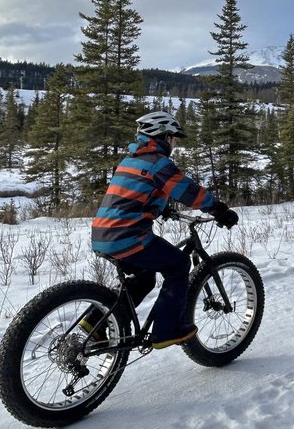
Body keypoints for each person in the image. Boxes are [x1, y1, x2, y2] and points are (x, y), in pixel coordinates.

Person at [84, 111, 239, 350]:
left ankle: (94, 321)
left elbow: (137, 191)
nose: (174, 143)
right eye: (173, 138)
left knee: (144, 278)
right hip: (128, 236)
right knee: (178, 265)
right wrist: (218, 209)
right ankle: (167, 331)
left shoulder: (130, 160)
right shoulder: (159, 163)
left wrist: (162, 206)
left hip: (103, 234)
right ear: (163, 136)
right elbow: (188, 192)